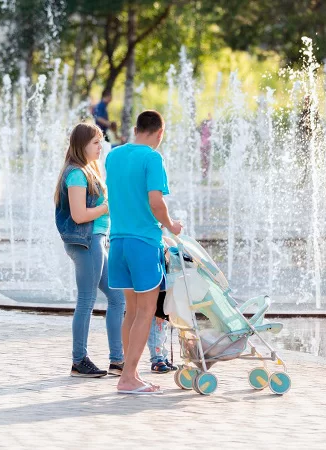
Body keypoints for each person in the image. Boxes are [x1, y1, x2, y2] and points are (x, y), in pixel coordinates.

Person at [105, 110, 182, 394]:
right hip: (144, 242)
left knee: (131, 311)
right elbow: (155, 201)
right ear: (159, 133)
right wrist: (171, 225)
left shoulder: (113, 156)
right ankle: (128, 378)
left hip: (118, 241)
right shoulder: (153, 158)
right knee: (147, 311)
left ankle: (130, 373)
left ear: (136, 128)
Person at [54, 123, 126, 378]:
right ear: (81, 145)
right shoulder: (76, 174)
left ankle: (118, 360)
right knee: (86, 300)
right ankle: (78, 360)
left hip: (96, 240)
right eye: (95, 142)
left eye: (101, 141)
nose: (101, 146)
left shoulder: (88, 171)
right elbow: (79, 214)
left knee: (118, 298)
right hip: (86, 242)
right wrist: (106, 207)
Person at [199, 115, 212, 180]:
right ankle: (204, 174)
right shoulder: (207, 128)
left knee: (204, 161)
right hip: (206, 146)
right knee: (206, 161)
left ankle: (204, 174)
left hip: (203, 146)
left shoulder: (203, 128)